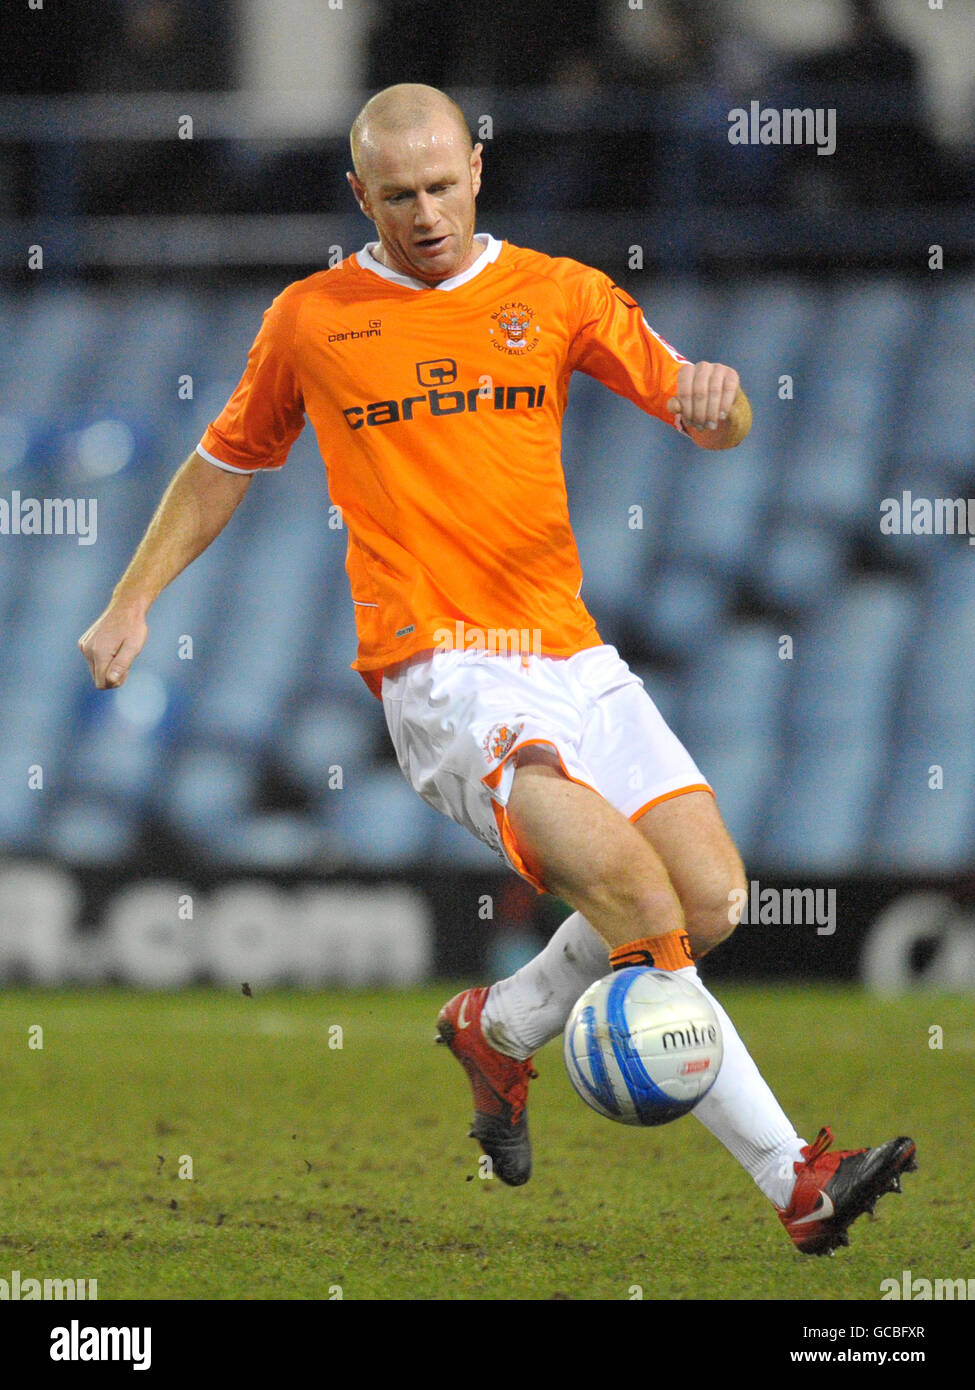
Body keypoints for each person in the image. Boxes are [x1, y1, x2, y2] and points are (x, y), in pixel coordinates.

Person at [79, 83, 915, 1255]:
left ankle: (504, 1025)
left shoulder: (558, 292)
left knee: (714, 900)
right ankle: (798, 1181)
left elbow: (699, 409)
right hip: (446, 675)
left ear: (477, 168)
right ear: (356, 193)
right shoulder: (313, 318)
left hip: (574, 654)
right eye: (396, 194)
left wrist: (724, 408)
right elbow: (224, 462)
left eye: (440, 186)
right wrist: (132, 597)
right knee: (638, 903)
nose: (424, 214)